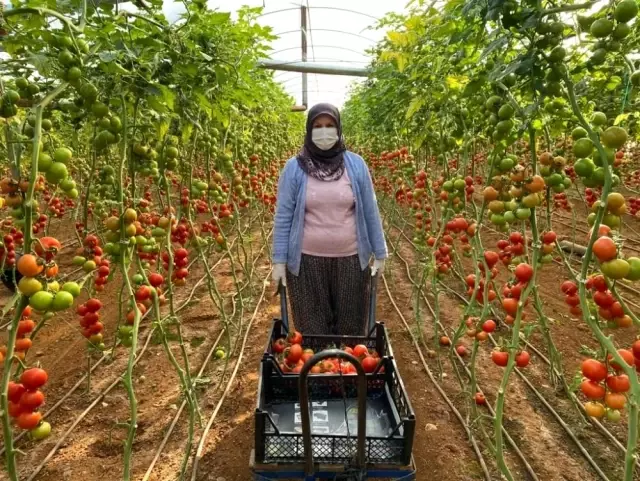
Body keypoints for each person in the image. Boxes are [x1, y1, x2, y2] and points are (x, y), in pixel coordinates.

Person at [271, 103, 387, 336]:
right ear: (309, 130)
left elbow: (370, 210)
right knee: (313, 331)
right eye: (318, 126)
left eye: (330, 125)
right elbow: (283, 216)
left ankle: (346, 372)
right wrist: (279, 260)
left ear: (338, 128)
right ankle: (318, 370)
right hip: (305, 264)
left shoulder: (356, 165)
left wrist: (380, 252)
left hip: (352, 261)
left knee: (351, 330)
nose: (324, 132)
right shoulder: (295, 168)